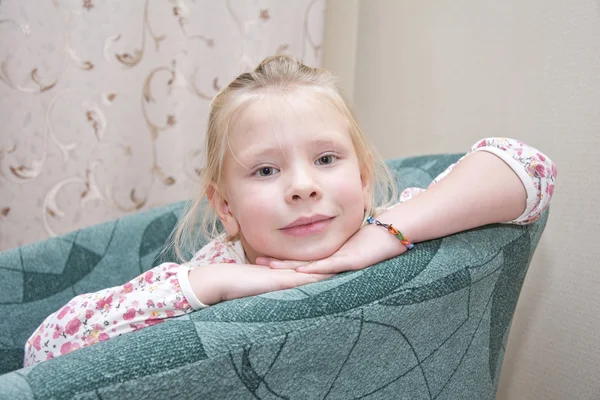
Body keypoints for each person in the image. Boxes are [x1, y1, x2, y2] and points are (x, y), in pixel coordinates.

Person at [23, 54, 557, 367]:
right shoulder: (214, 267)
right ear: (225, 207)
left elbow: (527, 167)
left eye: (326, 159)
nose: (302, 187)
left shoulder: (387, 222)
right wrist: (215, 286)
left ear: (363, 177)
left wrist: (387, 234)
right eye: (265, 170)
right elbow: (44, 351)